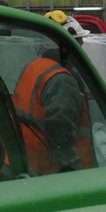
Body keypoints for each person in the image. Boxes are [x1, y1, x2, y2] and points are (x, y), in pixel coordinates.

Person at [10, 12, 92, 175]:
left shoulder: (34, 68)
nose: (81, 50)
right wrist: (73, 172)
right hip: (49, 169)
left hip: (26, 162)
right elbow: (60, 133)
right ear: (65, 46)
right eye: (78, 44)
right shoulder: (61, 80)